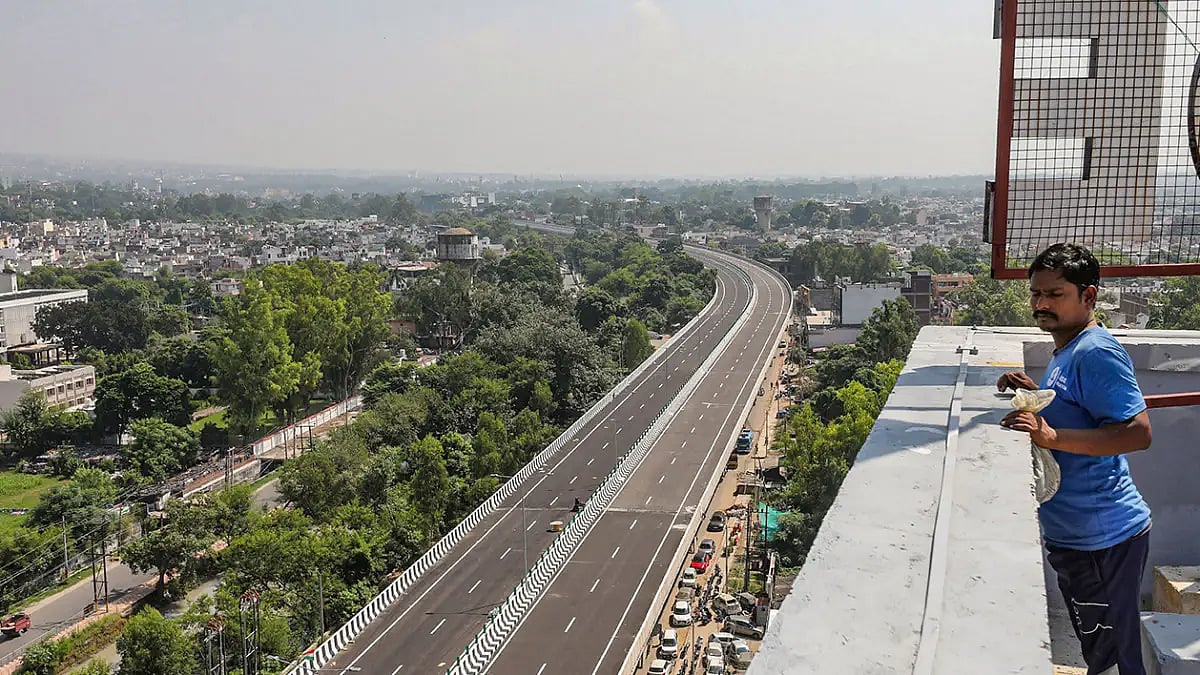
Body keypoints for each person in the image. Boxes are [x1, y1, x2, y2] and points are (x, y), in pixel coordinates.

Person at [997, 243, 1153, 675]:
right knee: (1100, 653)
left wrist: (1050, 435)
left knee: (1115, 661)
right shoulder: (1068, 349)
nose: (1040, 304)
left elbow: (1138, 433)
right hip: (1077, 537)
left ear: (1089, 296)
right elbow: (1078, 408)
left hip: (1105, 537)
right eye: (1036, 293)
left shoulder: (1095, 352)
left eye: (1055, 294)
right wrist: (1033, 392)